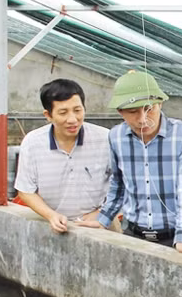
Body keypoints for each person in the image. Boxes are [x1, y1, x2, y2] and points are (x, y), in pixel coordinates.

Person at [78, 70, 182, 251]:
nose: (143, 119)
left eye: (149, 109)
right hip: (133, 234)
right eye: (133, 112)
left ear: (160, 103)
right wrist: (103, 219)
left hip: (174, 236)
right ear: (121, 112)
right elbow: (118, 184)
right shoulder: (116, 136)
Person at [14, 79, 111, 233]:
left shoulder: (105, 139)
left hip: (100, 224)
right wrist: (51, 215)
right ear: (48, 115)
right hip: (55, 225)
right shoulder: (33, 142)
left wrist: (103, 213)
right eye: (63, 112)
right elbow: (25, 190)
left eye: (78, 110)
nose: (72, 119)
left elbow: (125, 185)